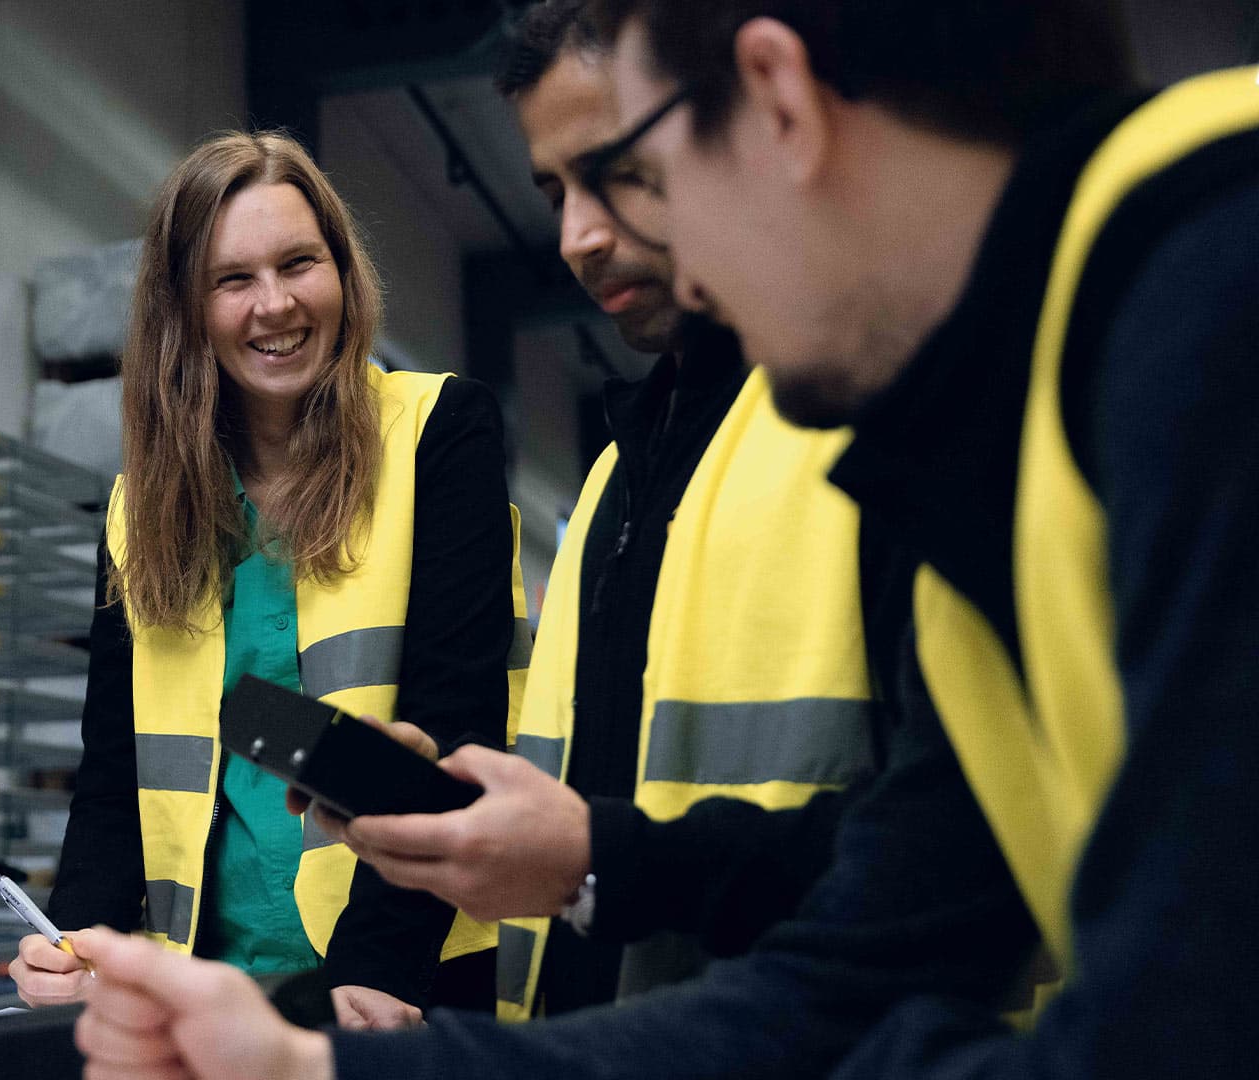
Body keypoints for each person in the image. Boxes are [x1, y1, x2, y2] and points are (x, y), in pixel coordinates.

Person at [69, 0, 1257, 1076]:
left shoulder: (1205, 300)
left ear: (778, 100)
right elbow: (858, 960)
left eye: (641, 173)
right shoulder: (1006, 416)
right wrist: (310, 1070)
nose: (600, 244)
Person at [308, 0, 898, 1021]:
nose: (579, 238)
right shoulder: (617, 479)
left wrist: (595, 863)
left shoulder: (874, 416)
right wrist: (466, 815)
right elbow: (605, 786)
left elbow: (970, 848)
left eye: (620, 171)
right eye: (555, 191)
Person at [10, 130, 529, 1031]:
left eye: (300, 263)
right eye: (232, 279)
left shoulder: (439, 433)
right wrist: (81, 944)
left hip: (408, 979)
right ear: (186, 309)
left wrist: (382, 972)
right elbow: (113, 780)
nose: (276, 304)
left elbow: (453, 718)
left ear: (343, 272)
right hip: (210, 998)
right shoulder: (141, 510)